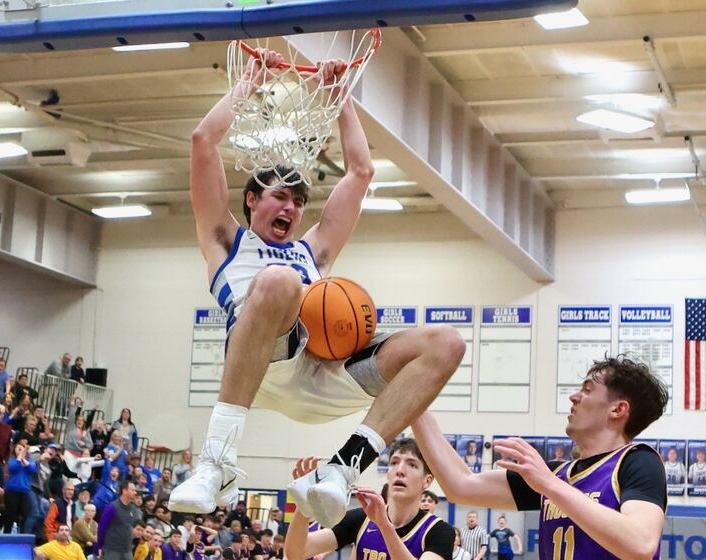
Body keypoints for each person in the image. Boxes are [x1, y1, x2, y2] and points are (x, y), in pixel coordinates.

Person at [168, 48, 465, 528]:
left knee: (447, 342)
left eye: (300, 200)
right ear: (251, 200)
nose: (292, 207)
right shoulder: (224, 240)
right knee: (281, 282)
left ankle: (342, 468)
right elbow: (203, 141)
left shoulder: (314, 252)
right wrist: (250, 82)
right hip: (264, 368)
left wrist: (341, 96)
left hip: (326, 372)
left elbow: (361, 173)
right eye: (280, 196)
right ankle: (216, 461)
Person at [412, 355, 669, 559]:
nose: (574, 396)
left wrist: (549, 484)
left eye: (588, 390)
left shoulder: (638, 461)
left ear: (618, 409)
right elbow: (461, 485)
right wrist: (410, 400)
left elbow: (641, 544)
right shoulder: (555, 474)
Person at [285, 438, 454, 560]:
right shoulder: (361, 519)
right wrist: (305, 503)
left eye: (412, 464)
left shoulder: (440, 531)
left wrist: (384, 526)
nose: (400, 470)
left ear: (427, 480)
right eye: (394, 462)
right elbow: (297, 553)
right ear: (388, 473)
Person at [96, 480, 143, 560]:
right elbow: (101, 528)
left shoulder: (133, 509)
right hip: (111, 550)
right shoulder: (112, 507)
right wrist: (99, 546)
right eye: (133, 490)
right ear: (124, 491)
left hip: (127, 550)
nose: (135, 493)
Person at [4, 442, 38, 533]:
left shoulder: (30, 462)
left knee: (24, 516)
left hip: (25, 492)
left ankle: (22, 536)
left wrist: (24, 460)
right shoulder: (12, 461)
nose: (21, 450)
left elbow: (33, 469)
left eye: (22, 449)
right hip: (12, 491)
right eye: (18, 449)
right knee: (10, 516)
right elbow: (13, 468)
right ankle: (6, 536)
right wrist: (19, 458)